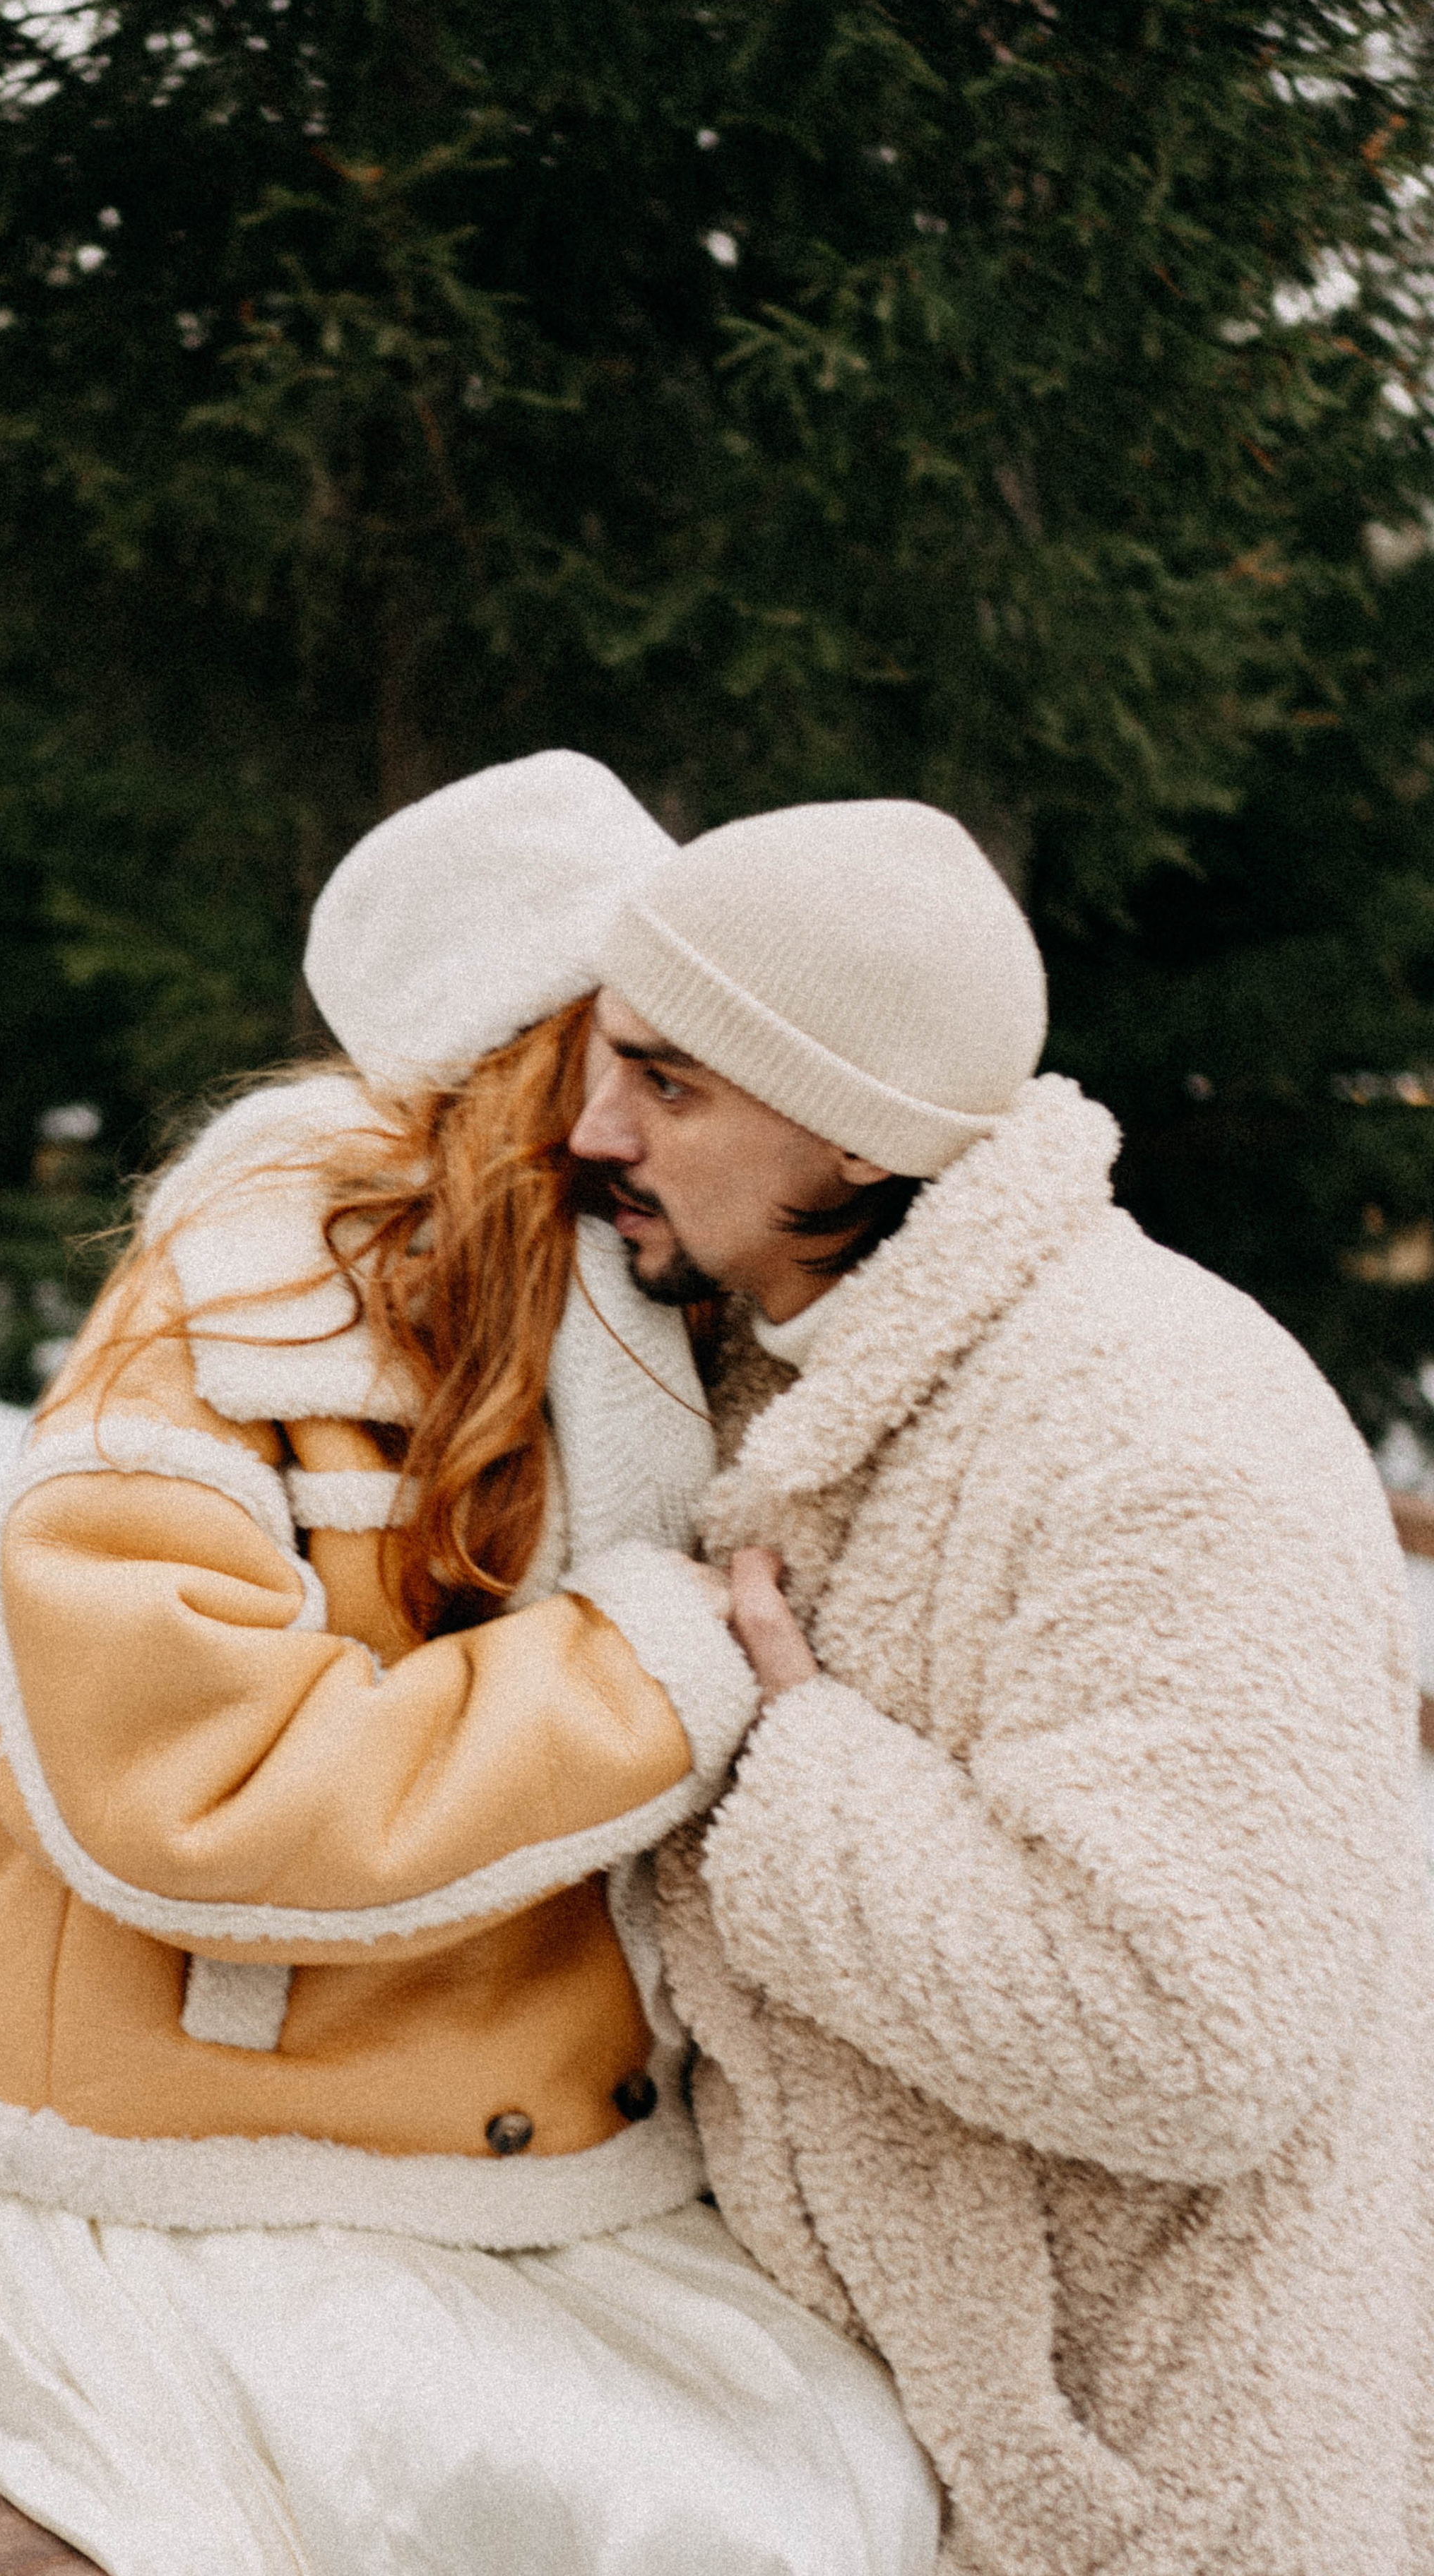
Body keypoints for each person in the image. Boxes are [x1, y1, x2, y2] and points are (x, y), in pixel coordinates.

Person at [0, 753, 942, 2576]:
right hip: (240, 2172)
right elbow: (195, 1794)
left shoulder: (647, 1289)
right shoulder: (229, 1329)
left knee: (863, 2491)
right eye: (640, 1049)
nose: (666, 1101)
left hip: (563, 2162)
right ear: (538, 1045)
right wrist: (659, 1664)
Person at [567, 795, 1433, 2576]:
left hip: (1173, 2490)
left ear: (856, 1131)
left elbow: (1190, 2039)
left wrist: (776, 1759)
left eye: (668, 1085)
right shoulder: (769, 1377)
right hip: (879, 2467)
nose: (594, 1133)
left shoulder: (1158, 1417)